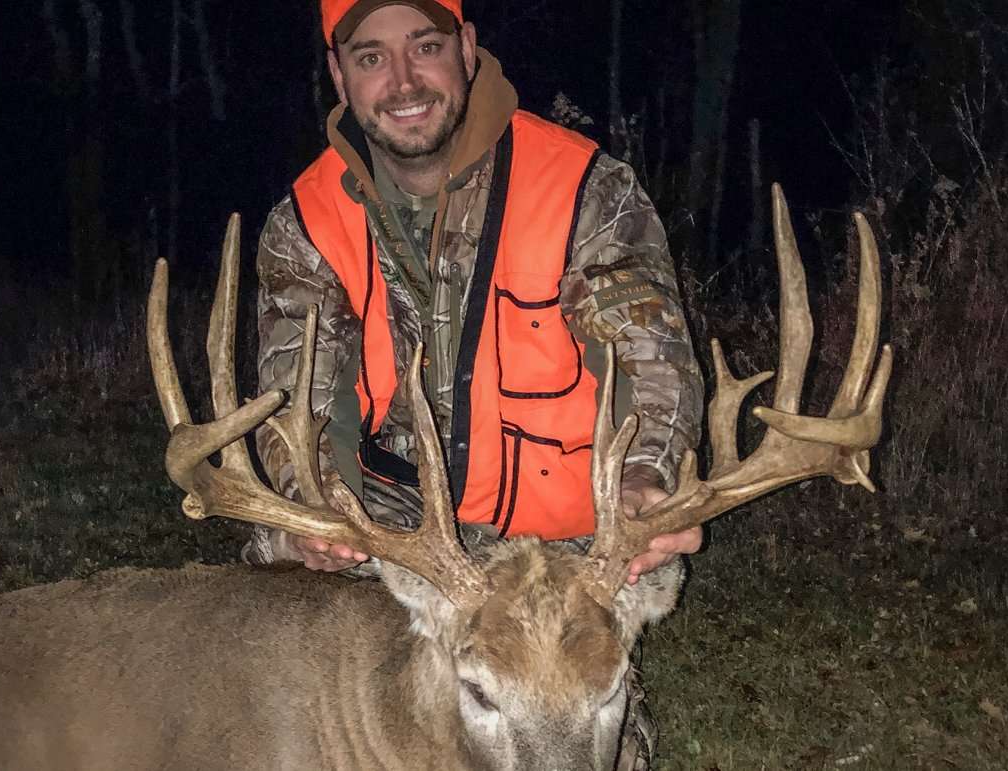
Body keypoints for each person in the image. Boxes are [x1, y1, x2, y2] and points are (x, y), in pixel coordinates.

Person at [243, 1, 705, 766]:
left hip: (564, 543)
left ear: (465, 46)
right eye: (371, 57)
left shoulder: (583, 189)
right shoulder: (308, 223)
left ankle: (593, 711)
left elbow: (650, 360)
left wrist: (646, 475)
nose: (403, 82)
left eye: (425, 47)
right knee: (274, 555)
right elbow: (297, 401)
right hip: (408, 528)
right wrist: (314, 499)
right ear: (339, 74)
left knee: (578, 705)